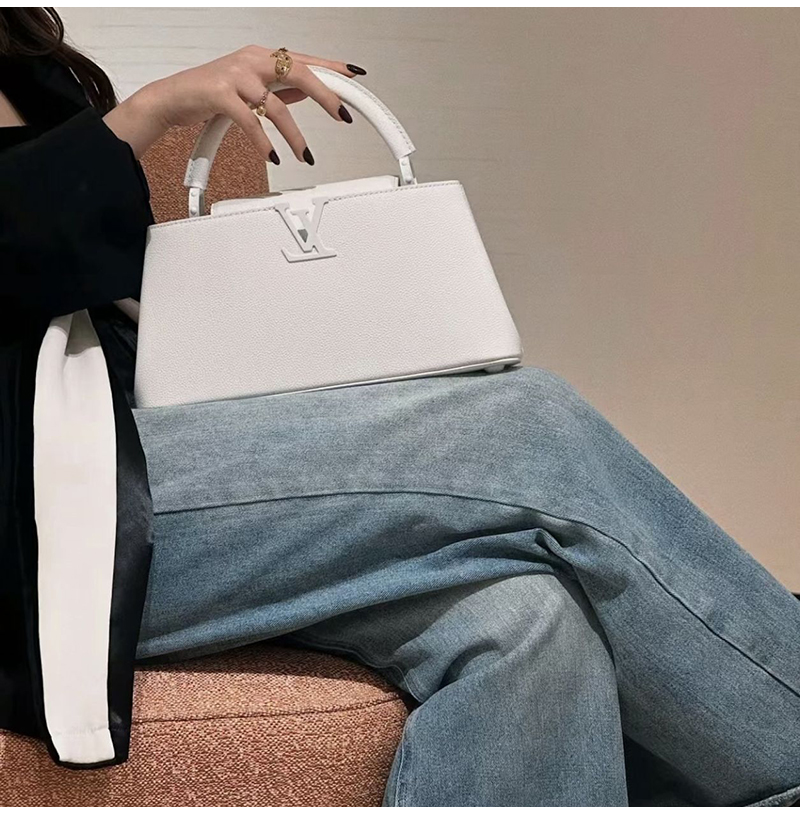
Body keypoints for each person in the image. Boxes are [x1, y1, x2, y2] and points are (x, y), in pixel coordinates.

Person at [1, 9, 798, 807]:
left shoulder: (29, 64)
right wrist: (145, 114)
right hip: (41, 496)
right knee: (525, 427)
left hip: (121, 433)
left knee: (529, 619)